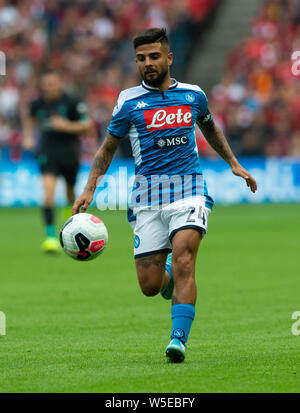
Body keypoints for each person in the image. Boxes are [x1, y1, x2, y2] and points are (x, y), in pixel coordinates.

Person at [72, 28, 257, 363]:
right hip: (146, 198)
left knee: (186, 258)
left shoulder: (193, 95)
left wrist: (233, 163)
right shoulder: (128, 102)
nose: (148, 63)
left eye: (154, 56)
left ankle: (178, 340)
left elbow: (210, 127)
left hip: (189, 191)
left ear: (168, 58)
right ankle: (167, 274)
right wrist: (89, 188)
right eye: (141, 58)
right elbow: (107, 147)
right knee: (150, 285)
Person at [23, 70, 92, 252]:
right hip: (48, 153)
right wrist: (28, 136)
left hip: (70, 153)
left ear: (59, 83)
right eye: (46, 84)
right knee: (48, 194)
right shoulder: (37, 103)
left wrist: (64, 125)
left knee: (70, 194)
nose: (49, 87)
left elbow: (86, 125)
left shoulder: (72, 101)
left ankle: (70, 227)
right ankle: (50, 237)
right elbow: (29, 117)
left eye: (52, 84)